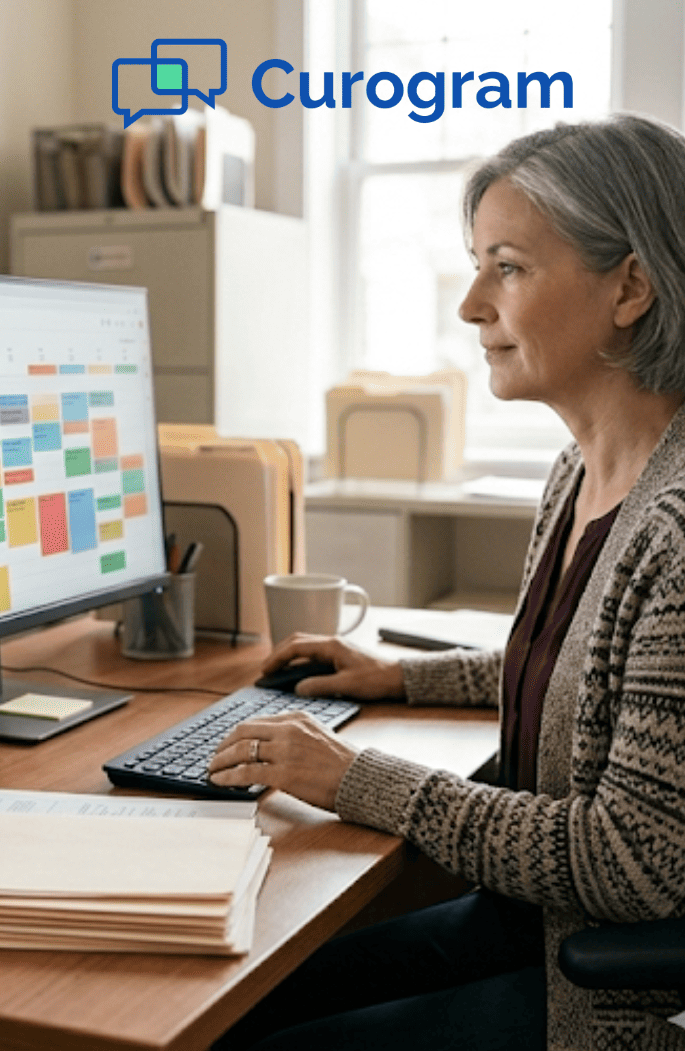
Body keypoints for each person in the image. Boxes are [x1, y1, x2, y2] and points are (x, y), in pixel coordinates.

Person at [208, 114, 685, 1050]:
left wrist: (358, 778)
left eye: (507, 266)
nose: (471, 304)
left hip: (592, 1000)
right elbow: (578, 672)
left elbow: (633, 863)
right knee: (241, 994)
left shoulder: (677, 528)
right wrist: (396, 674)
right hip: (525, 922)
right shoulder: (584, 470)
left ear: (630, 284)